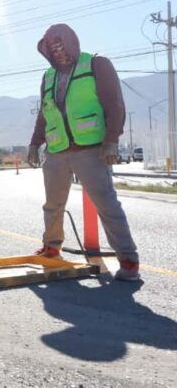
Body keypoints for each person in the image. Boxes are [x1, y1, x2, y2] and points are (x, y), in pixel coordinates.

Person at [27, 23, 139, 281]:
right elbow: (45, 113)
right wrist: (35, 143)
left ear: (71, 43)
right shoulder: (49, 76)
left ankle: (128, 259)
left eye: (60, 45)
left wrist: (111, 139)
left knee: (106, 203)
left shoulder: (96, 64)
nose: (57, 52)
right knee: (53, 205)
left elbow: (114, 103)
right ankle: (52, 248)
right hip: (56, 151)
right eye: (51, 49)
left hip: (90, 150)